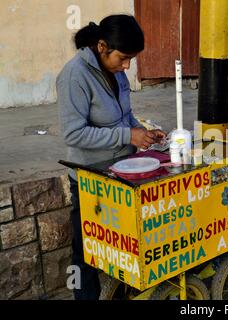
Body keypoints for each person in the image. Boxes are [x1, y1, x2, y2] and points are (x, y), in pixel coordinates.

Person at [57, 15, 166, 300]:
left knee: (123, 248)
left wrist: (141, 131)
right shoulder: (74, 75)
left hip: (121, 173)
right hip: (89, 179)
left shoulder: (116, 71)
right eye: (124, 58)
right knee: (87, 253)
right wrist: (126, 136)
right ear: (102, 46)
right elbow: (73, 134)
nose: (127, 66)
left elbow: (124, 113)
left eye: (131, 59)